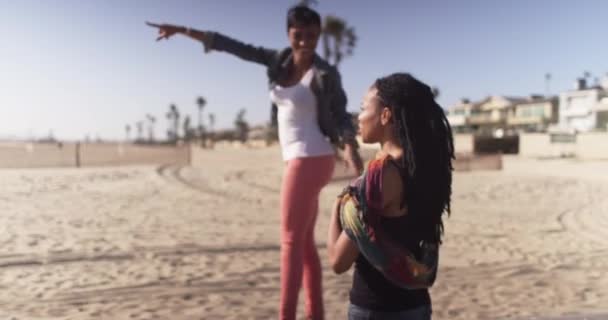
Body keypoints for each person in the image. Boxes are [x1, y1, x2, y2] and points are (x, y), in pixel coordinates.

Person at [147, 5, 363, 320]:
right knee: (302, 242)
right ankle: (315, 314)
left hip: (311, 157)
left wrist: (349, 146)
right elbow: (231, 46)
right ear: (288, 34)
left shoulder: (325, 73)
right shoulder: (277, 60)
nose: (304, 42)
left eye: (312, 36)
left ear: (318, 36)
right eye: (298, 35)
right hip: (300, 157)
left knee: (289, 240)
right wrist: (182, 31)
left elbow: (342, 114)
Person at [327, 73, 454, 320]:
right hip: (417, 306)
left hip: (377, 309)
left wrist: (338, 207)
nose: (358, 117)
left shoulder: (381, 176)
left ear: (385, 115)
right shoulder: (427, 166)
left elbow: (337, 262)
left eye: (363, 108)